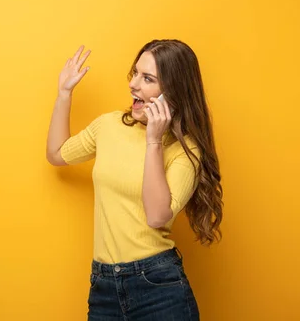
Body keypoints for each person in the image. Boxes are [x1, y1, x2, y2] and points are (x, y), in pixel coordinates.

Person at [46, 40, 223, 320]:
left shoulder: (186, 150)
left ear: (173, 92)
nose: (133, 85)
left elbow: (156, 216)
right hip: (103, 286)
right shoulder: (109, 126)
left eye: (148, 78)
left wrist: (154, 140)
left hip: (159, 287)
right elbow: (57, 154)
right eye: (136, 73)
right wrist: (64, 94)